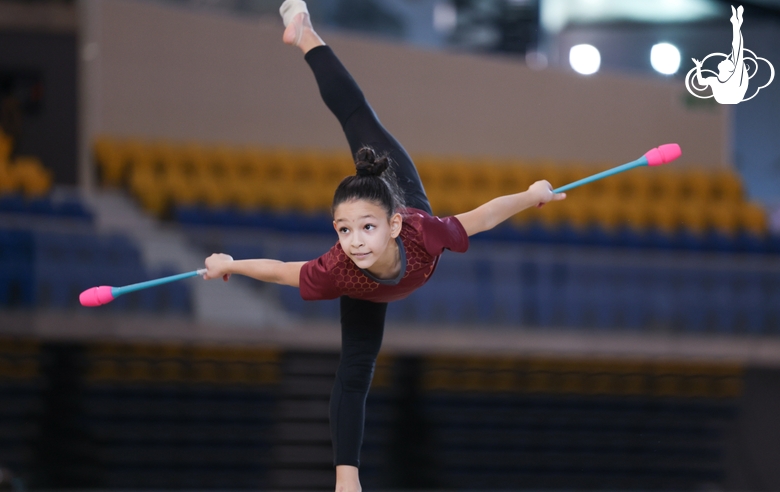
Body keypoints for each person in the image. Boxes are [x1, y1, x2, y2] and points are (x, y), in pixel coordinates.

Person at [202, 2, 566, 490]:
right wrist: (232, 264)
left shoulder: (422, 229)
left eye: (366, 228)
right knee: (356, 367)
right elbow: (281, 270)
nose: (354, 241)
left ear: (392, 225)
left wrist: (532, 194)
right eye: (344, 230)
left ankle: (305, 32)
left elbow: (482, 216)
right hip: (368, 292)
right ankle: (347, 478)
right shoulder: (340, 268)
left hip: (397, 184)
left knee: (357, 115)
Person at [692, 5, 748, 104]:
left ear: (729, 69)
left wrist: (736, 25)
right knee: (737, 51)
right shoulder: (715, 80)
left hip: (732, 96)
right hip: (727, 97)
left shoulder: (734, 78)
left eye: (727, 61)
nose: (725, 59)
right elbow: (701, 82)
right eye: (727, 60)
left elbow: (737, 48)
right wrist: (698, 67)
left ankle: (736, 23)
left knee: (737, 50)